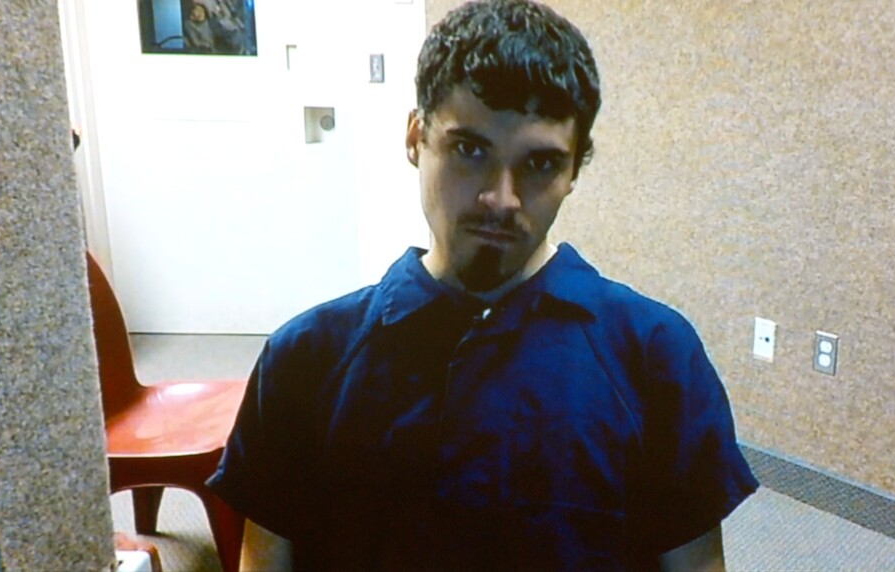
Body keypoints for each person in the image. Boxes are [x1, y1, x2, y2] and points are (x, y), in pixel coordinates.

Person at [206, 1, 758, 569]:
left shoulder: (656, 359)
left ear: (574, 170)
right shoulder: (306, 360)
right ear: (416, 137)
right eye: (470, 150)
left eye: (540, 164)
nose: (501, 199)